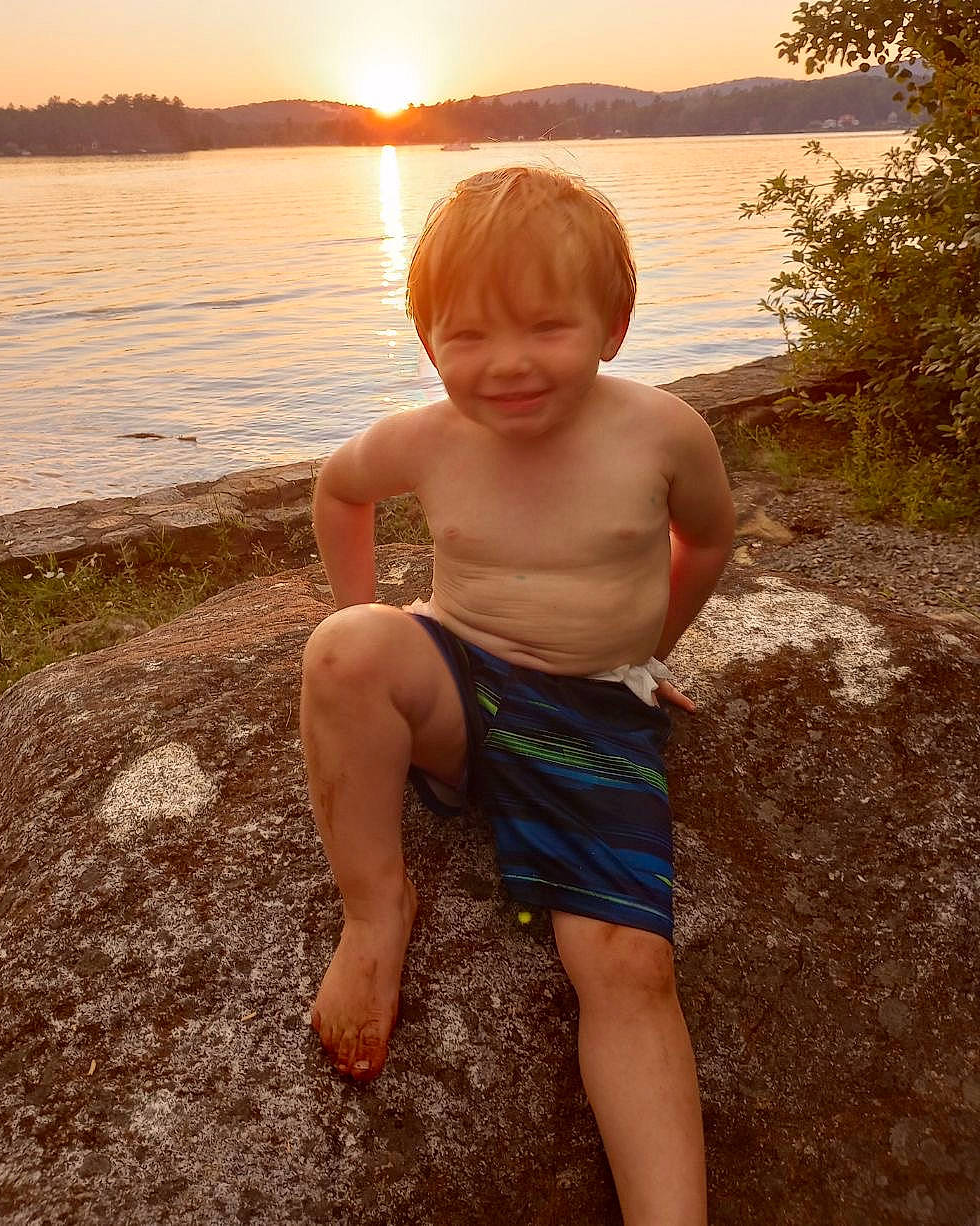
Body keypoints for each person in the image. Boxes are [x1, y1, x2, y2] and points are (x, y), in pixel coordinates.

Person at [300, 165, 735, 1225]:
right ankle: (374, 912)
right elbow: (337, 490)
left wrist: (651, 649)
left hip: (594, 711)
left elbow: (708, 537)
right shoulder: (428, 440)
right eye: (468, 337)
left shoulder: (663, 433)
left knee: (626, 965)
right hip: (459, 680)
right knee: (345, 651)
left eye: (547, 326)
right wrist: (370, 615)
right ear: (428, 343)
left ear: (614, 325)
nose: (507, 366)